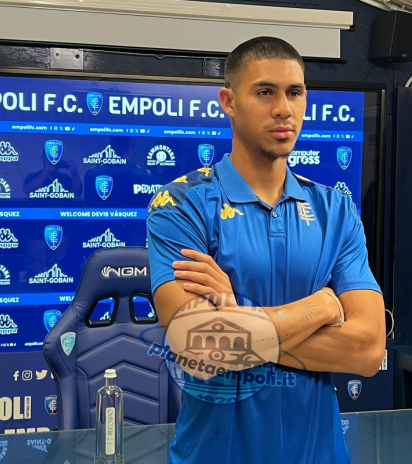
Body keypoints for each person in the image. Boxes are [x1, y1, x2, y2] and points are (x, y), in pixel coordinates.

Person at [147, 36, 385, 464]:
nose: (283, 109)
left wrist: (237, 319)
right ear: (229, 101)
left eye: (294, 92)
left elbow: (368, 351)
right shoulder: (181, 203)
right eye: (265, 92)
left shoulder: (336, 209)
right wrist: (321, 307)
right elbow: (197, 346)